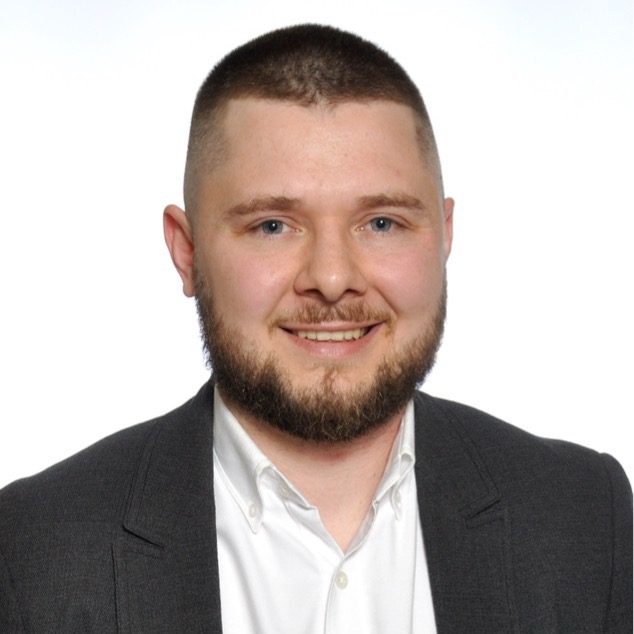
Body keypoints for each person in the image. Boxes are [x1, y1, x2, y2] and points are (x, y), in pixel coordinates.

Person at [0, 23, 631, 634]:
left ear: (444, 236)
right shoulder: (32, 552)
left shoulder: (587, 520)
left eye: (381, 223)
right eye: (272, 226)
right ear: (187, 253)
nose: (332, 279)